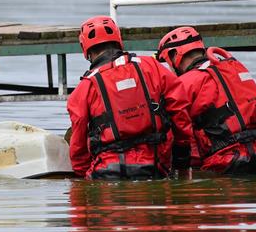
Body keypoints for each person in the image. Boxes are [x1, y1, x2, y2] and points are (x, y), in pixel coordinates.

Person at [67, 16, 195, 180]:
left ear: (85, 49)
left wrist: (81, 173)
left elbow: (78, 146)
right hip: (154, 168)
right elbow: (179, 112)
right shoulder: (152, 67)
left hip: (106, 174)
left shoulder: (84, 88)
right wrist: (182, 160)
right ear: (119, 39)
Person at [156, 26, 256, 175]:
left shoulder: (186, 83)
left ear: (174, 55)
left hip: (224, 163)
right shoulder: (235, 70)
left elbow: (176, 132)